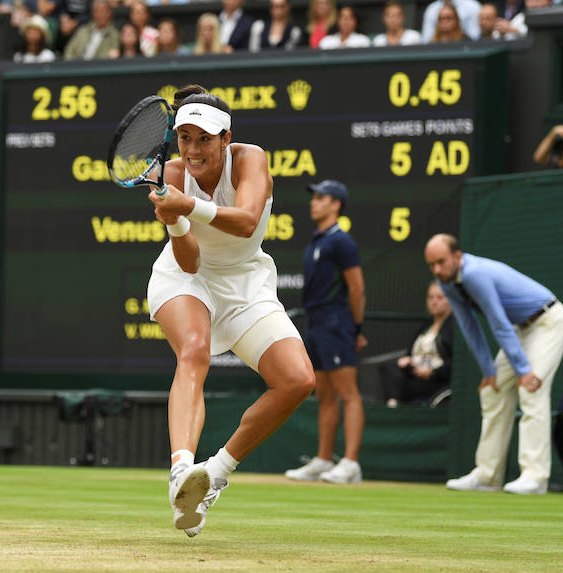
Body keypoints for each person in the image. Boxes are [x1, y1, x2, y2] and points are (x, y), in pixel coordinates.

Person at [149, 85, 316, 536]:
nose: (194, 149)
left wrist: (188, 206)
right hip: (188, 278)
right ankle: (182, 470)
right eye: (185, 138)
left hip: (246, 280)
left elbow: (245, 222)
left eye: (204, 138)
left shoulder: (251, 159)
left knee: (298, 380)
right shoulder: (173, 174)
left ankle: (215, 474)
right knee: (195, 350)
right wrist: (175, 220)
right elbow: (190, 261)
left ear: (226, 138)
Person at [424, 234, 563, 495]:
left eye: (441, 262)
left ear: (457, 257)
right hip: (521, 330)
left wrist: (524, 371)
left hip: (548, 322)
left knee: (531, 389)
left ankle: (535, 476)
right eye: (432, 264)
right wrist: (488, 371)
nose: (437, 269)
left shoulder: (474, 274)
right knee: (493, 391)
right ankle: (487, 476)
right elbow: (469, 327)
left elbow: (497, 322)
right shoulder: (445, 282)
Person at [284, 180, 367, 484]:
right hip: (316, 322)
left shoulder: (341, 241)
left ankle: (351, 463)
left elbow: (357, 289)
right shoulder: (316, 242)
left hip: (336, 322)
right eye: (314, 198)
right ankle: (323, 459)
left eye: (321, 198)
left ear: (336, 205)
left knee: (348, 393)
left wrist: (356, 328)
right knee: (325, 395)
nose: (314, 203)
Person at [380, 282, 453, 407]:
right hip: (415, 374)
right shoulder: (423, 327)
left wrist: (433, 372)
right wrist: (407, 360)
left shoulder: (453, 328)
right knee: (390, 366)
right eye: (430, 297)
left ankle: (396, 404)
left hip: (437, 381)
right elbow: (410, 353)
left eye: (440, 297)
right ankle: (393, 404)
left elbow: (455, 363)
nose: (434, 302)